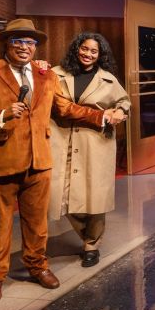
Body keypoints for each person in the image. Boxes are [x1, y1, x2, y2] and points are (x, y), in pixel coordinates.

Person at [0, 18, 114, 303]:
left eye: (30, 42)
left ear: (35, 47)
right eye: (18, 41)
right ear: (7, 44)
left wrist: (101, 116)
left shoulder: (46, 76)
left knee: (37, 224)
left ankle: (38, 266)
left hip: (39, 163)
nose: (24, 47)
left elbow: (64, 108)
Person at [48, 33, 129, 268]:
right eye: (84, 49)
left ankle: (91, 244)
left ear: (100, 55)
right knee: (61, 193)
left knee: (95, 195)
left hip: (96, 142)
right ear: (76, 49)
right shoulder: (56, 74)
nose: (88, 54)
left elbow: (124, 101)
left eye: (94, 51)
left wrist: (121, 111)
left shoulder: (108, 80)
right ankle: (86, 234)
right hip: (61, 139)